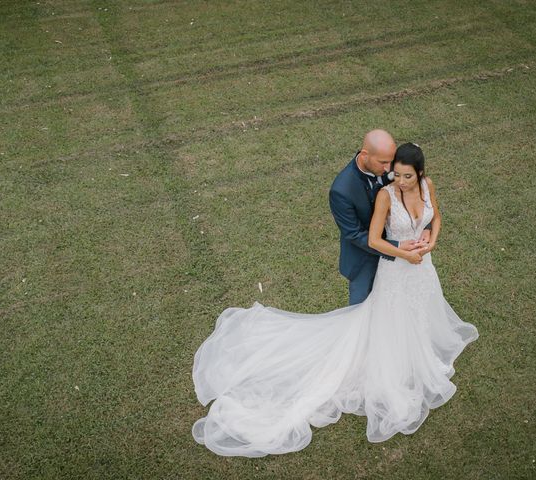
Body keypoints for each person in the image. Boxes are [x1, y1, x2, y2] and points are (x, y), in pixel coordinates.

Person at [191, 142, 479, 457]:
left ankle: (418, 352)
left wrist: (430, 240)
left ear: (420, 173)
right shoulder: (386, 196)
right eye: (396, 174)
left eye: (407, 176)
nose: (401, 181)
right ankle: (395, 362)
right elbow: (373, 239)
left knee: (419, 313)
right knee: (391, 319)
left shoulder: (427, 186)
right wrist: (404, 254)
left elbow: (435, 217)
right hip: (397, 271)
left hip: (423, 270)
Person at [329, 129, 430, 305]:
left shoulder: (390, 167)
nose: (389, 169)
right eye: (383, 162)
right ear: (364, 155)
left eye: (391, 161)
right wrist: (396, 247)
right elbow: (354, 234)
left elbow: (418, 194)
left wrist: (426, 227)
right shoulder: (341, 190)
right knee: (361, 311)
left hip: (401, 258)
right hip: (364, 261)